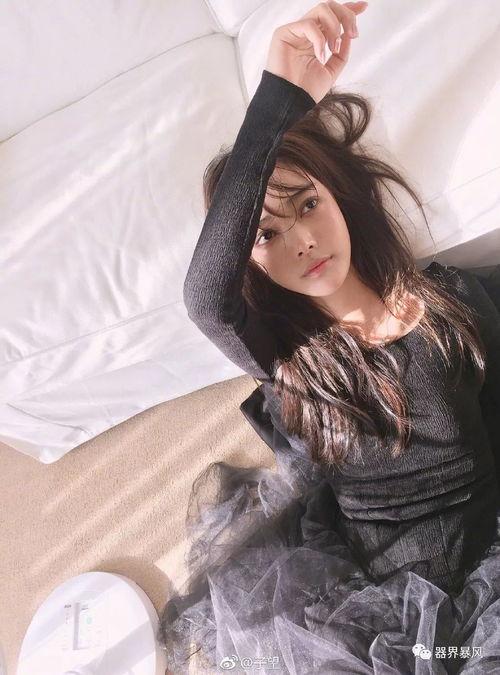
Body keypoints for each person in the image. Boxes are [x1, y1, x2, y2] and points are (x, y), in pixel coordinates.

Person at [159, 1, 500, 672]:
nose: (304, 241)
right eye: (268, 233)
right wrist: (277, 101)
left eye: (308, 204)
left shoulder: (449, 300)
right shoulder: (288, 358)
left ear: (339, 194)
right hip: (379, 609)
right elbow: (204, 299)